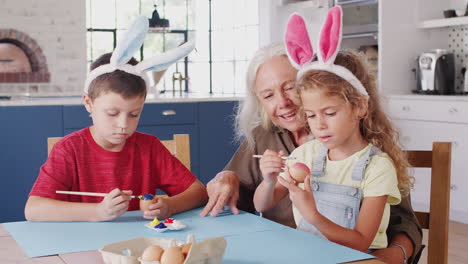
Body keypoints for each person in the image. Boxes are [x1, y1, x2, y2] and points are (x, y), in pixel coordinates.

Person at [200, 38, 422, 264]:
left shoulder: (370, 155)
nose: (283, 102)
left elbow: (400, 222)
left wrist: (391, 256)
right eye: (268, 95)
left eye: (290, 88)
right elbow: (251, 197)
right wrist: (230, 177)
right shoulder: (274, 140)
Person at [24, 16, 207, 222]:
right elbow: (34, 209)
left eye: (134, 114)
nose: (123, 125)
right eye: (112, 113)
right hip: (81, 247)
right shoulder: (69, 150)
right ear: (88, 103)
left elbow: (199, 192)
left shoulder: (150, 148)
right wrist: (98, 212)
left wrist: (170, 205)